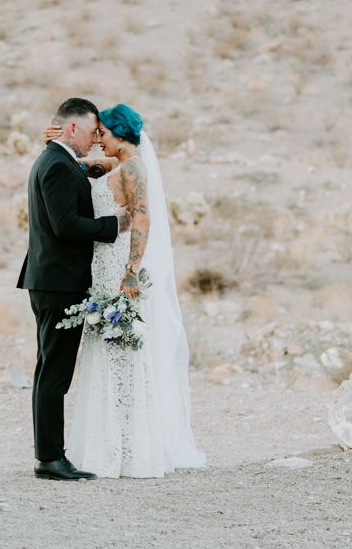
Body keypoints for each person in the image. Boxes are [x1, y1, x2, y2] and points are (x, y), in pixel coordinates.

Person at [45, 104, 206, 478]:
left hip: (119, 269)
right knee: (106, 355)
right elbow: (77, 165)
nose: (98, 139)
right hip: (102, 269)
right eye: (95, 133)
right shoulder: (115, 165)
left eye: (103, 133)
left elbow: (142, 218)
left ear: (120, 135)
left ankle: (128, 449)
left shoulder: (133, 169)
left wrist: (131, 270)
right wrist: (55, 140)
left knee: (124, 356)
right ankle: (110, 443)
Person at [17, 98, 132, 481]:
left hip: (52, 281)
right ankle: (49, 460)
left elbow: (109, 164)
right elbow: (66, 225)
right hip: (59, 284)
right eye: (89, 131)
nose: (94, 139)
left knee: (50, 371)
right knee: (54, 375)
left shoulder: (56, 161)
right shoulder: (57, 167)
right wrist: (112, 225)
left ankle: (48, 456)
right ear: (72, 129)